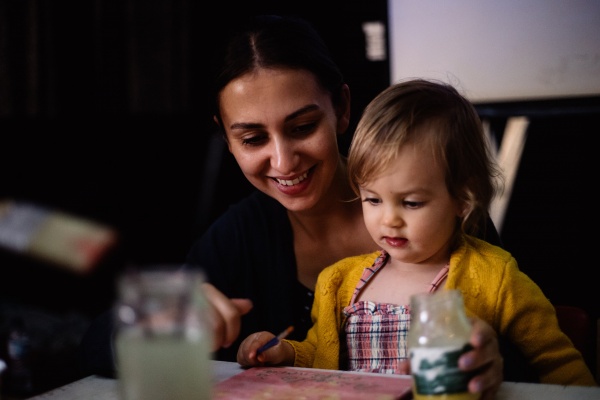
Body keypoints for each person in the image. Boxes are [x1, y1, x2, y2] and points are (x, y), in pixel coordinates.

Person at [79, 15, 505, 396]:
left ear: (340, 109)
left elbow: (533, 345)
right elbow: (92, 347)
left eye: (302, 127)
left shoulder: (444, 213)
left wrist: (492, 360)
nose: (283, 162)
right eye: (252, 139)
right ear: (226, 139)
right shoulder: (242, 235)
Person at [235, 79, 598, 388]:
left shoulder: (495, 276)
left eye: (410, 203)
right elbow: (321, 356)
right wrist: (285, 352)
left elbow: (559, 366)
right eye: (373, 199)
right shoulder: (338, 282)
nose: (389, 220)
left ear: (462, 199)